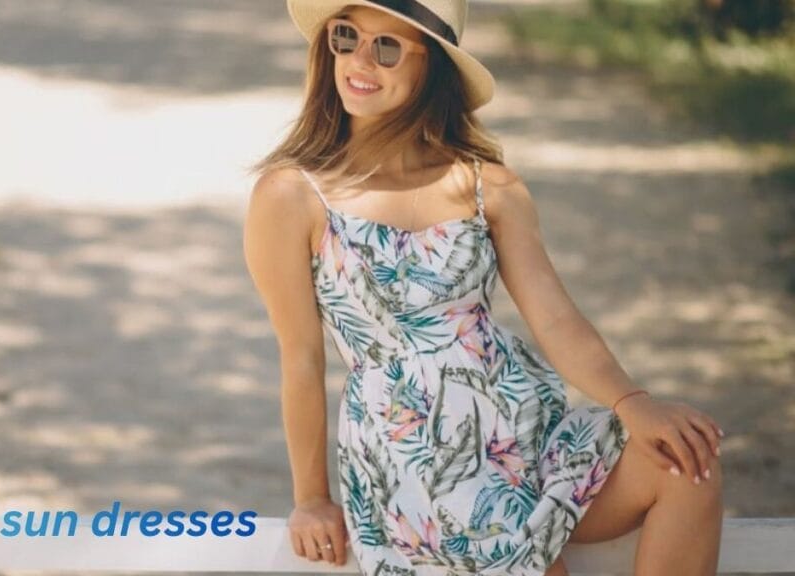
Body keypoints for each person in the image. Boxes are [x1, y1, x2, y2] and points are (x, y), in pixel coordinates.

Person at [242, 1, 725, 574]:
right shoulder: (292, 195)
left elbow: (555, 318)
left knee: (686, 464)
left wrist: (633, 402)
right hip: (419, 461)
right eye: (346, 37)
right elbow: (300, 356)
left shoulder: (486, 185)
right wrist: (311, 498)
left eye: (387, 47)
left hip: (528, 433)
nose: (359, 60)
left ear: (432, 66)